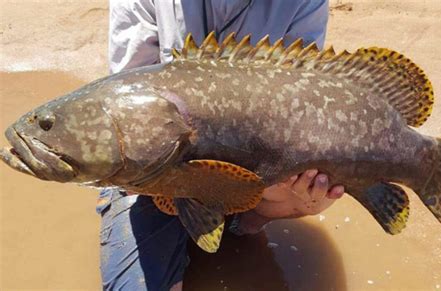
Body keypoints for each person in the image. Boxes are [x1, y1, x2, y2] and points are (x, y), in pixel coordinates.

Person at [98, 1, 344, 290]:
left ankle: (245, 223)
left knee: (312, 189)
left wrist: (303, 179)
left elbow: (304, 96)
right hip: (154, 184)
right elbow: (126, 107)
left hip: (253, 173)